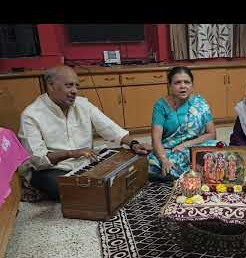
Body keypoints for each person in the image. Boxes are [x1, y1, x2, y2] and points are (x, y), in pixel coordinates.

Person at [18, 65, 149, 202]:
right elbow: (38, 160)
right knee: (65, 188)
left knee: (129, 159)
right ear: (51, 85)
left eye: (76, 86)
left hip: (87, 161)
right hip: (52, 169)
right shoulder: (31, 115)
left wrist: (134, 144)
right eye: (69, 86)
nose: (74, 91)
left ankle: (95, 186)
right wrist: (71, 153)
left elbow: (110, 129)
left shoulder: (83, 104)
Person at [148, 66, 217, 179]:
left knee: (219, 149)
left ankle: (188, 173)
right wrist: (164, 160)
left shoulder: (200, 103)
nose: (183, 86)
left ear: (192, 85)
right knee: (154, 165)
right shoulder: (160, 106)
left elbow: (211, 134)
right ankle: (194, 173)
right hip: (170, 150)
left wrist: (185, 144)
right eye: (177, 83)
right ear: (170, 86)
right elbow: (156, 139)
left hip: (195, 147)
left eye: (187, 82)